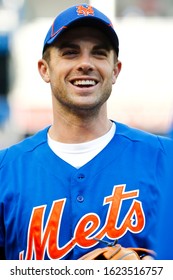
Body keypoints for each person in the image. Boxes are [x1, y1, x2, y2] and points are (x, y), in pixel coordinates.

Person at [0, 3, 172, 260]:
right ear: (44, 69)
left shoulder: (164, 159)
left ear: (115, 71)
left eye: (99, 53)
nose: (85, 64)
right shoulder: (6, 169)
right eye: (70, 53)